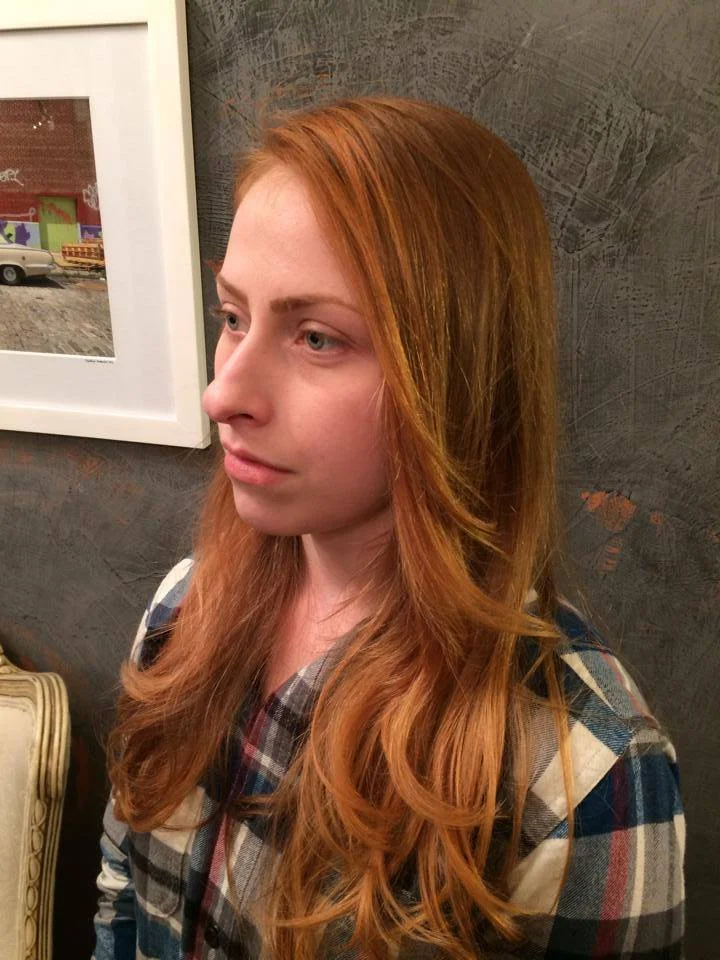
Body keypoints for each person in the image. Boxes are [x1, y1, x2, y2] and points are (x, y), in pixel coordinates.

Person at [92, 96, 685, 960]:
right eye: (233, 317)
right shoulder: (186, 610)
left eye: (317, 338)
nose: (223, 395)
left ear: (455, 374)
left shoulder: (583, 778)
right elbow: (122, 894)